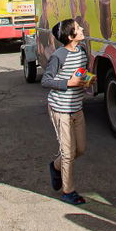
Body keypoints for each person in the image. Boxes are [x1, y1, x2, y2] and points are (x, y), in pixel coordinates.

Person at [41, 18, 89, 205]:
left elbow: (81, 73)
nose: (82, 28)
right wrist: (69, 83)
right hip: (60, 109)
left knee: (80, 149)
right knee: (68, 153)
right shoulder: (59, 56)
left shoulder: (82, 51)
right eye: (78, 28)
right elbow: (46, 80)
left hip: (77, 107)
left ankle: (55, 166)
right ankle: (68, 191)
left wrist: (87, 79)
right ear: (70, 36)